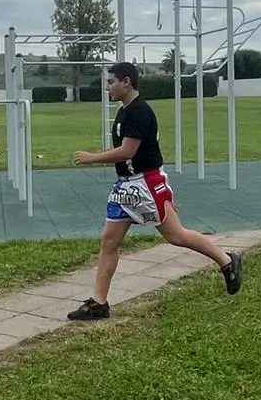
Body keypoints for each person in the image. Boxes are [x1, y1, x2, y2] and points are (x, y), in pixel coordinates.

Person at [68, 61, 243, 320]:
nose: (107, 87)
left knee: (176, 235)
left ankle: (227, 261)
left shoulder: (140, 111)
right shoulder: (124, 110)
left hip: (146, 183)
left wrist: (91, 158)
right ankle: (99, 303)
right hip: (125, 186)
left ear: (126, 82)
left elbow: (128, 151)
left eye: (111, 82)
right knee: (108, 242)